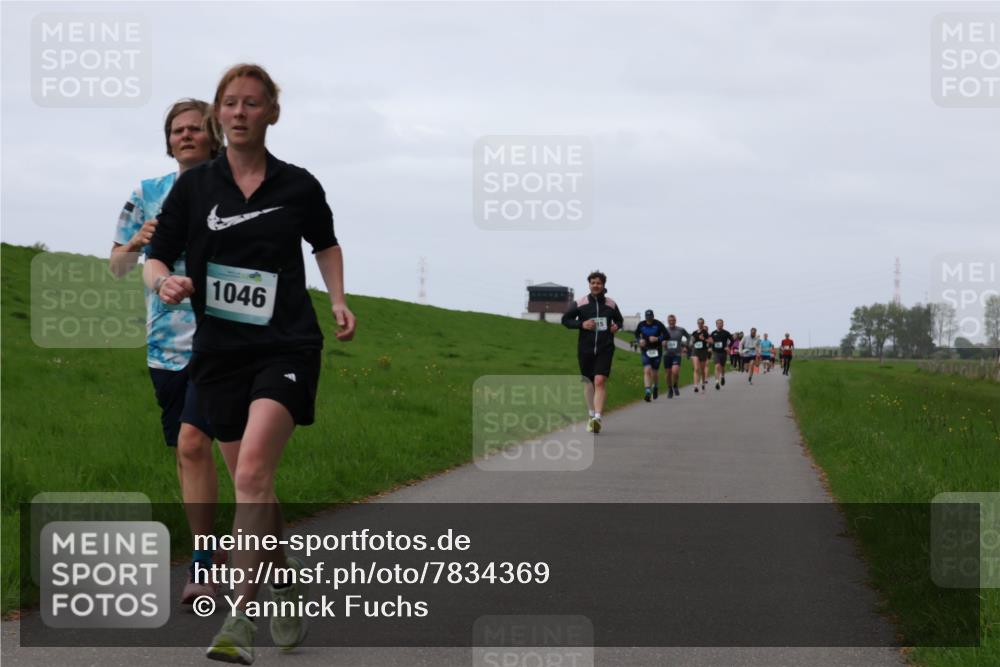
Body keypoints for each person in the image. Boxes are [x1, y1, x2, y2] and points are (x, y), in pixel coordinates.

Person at [145, 64, 357, 665]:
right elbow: (156, 257)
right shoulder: (195, 189)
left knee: (253, 473)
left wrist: (337, 297)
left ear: (272, 113)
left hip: (286, 346)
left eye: (253, 103)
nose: (240, 113)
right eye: (231, 103)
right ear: (220, 114)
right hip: (219, 355)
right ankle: (284, 583)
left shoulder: (298, 185)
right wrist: (165, 283)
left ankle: (240, 619)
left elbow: (326, 244)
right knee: (253, 489)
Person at [110, 98, 231, 605]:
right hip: (165, 346)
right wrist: (137, 240)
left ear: (212, 137)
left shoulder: (234, 188)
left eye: (195, 130)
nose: (185, 136)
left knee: (218, 450)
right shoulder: (147, 193)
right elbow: (117, 265)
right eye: (177, 130)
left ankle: (215, 559)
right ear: (168, 141)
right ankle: (219, 548)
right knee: (188, 452)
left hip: (225, 339)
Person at [561, 271, 623, 433]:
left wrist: (616, 326)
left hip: (605, 347)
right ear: (589, 284)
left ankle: (597, 417)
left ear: (603, 285)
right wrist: (581, 325)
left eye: (599, 283)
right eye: (593, 282)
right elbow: (565, 320)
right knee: (589, 383)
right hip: (585, 349)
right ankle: (591, 414)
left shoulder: (611, 304)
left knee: (600, 381)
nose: (596, 285)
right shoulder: (580, 303)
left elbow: (620, 320)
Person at [634, 309, 668, 401]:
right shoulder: (641, 324)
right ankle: (648, 392)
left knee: (655, 372)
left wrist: (658, 339)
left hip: (657, 350)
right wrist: (639, 340)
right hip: (645, 350)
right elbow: (636, 334)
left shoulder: (658, 324)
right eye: (647, 317)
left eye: (650, 317)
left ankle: (655, 386)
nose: (649, 319)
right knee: (647, 369)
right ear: (645, 317)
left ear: (653, 316)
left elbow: (666, 335)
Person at [662, 314, 691, 398]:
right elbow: (660, 339)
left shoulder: (681, 330)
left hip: (677, 354)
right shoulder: (664, 330)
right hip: (667, 354)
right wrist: (662, 342)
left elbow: (689, 337)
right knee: (668, 374)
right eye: (670, 321)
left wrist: (686, 346)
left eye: (673, 320)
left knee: (675, 371)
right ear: (668, 321)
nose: (671, 322)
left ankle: (675, 385)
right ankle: (670, 389)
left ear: (675, 321)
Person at [710, 319, 733, 390]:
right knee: (717, 366)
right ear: (716, 324)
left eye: (721, 323)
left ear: (723, 324)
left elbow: (732, 340)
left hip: (723, 352)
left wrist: (728, 347)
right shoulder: (713, 333)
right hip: (715, 352)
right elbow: (710, 341)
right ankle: (717, 382)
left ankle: (722, 376)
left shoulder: (726, 333)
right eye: (718, 323)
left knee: (722, 367)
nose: (719, 325)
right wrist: (710, 347)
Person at [690, 318, 712, 393]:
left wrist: (704, 339)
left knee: (702, 370)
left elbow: (711, 341)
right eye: (699, 323)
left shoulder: (706, 332)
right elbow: (691, 341)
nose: (700, 324)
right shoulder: (694, 332)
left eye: (701, 323)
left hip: (703, 352)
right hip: (695, 351)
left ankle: (702, 383)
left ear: (703, 323)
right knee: (696, 368)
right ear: (697, 323)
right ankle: (695, 386)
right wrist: (691, 343)